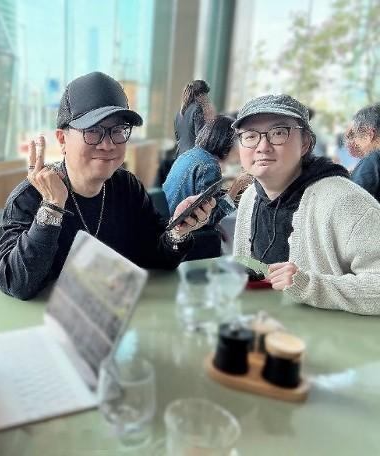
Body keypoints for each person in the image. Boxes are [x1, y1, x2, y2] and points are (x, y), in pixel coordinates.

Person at [0, 72, 215, 300]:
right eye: (93, 131)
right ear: (62, 139)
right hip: (49, 317)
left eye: (117, 131)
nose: (107, 145)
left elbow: (156, 256)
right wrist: (52, 206)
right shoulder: (29, 196)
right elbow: (15, 284)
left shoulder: (127, 187)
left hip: (116, 313)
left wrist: (178, 231)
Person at [232, 94, 380, 315]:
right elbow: (246, 268)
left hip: (327, 335)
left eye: (278, 133)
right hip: (263, 325)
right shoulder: (249, 196)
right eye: (250, 136)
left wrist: (310, 285)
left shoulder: (345, 201)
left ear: (305, 144)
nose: (262, 146)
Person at [162, 115, 253, 259]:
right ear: (226, 142)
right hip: (186, 239)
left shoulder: (190, 154)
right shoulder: (209, 166)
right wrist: (236, 187)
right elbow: (210, 219)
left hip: (166, 227)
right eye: (239, 143)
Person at [154, 79, 216, 186]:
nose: (207, 98)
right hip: (193, 161)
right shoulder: (198, 109)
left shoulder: (179, 112)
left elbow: (178, 137)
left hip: (180, 158)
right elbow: (201, 139)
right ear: (200, 94)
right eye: (206, 94)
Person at [345, 103, 380, 202]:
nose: (355, 142)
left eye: (355, 135)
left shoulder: (373, 160)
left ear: (370, 134)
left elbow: (350, 203)